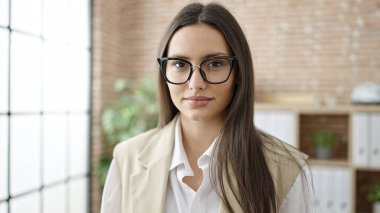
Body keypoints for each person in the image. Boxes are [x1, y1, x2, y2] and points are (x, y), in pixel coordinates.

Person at [101, 2, 312, 213]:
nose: (195, 83)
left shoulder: (285, 169)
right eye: (179, 64)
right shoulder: (127, 159)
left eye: (215, 64)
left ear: (238, 72)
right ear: (164, 72)